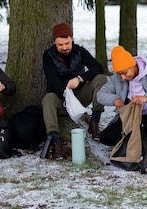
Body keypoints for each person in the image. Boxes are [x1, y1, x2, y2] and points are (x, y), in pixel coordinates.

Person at [97, 46, 147, 169]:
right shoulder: (117, 78)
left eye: (125, 73)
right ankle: (139, 141)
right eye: (119, 74)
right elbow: (100, 95)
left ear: (133, 65)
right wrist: (115, 99)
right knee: (105, 138)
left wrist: (146, 98)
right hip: (132, 119)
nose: (123, 77)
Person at [42, 22, 108, 159]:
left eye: (67, 43)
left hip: (81, 94)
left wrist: (80, 79)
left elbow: (98, 68)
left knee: (101, 79)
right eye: (60, 45)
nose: (64, 47)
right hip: (61, 98)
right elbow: (52, 81)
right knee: (47, 100)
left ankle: (94, 122)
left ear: (71, 39)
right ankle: (55, 142)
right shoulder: (48, 56)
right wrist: (66, 93)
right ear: (55, 42)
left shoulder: (80, 51)